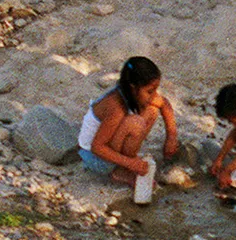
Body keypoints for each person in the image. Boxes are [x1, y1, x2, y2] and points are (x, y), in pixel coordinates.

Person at [78, 56, 184, 204]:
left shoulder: (132, 93)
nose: (154, 95)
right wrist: (130, 163)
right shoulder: (115, 106)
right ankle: (121, 171)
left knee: (152, 111)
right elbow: (97, 147)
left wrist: (171, 137)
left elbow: (164, 104)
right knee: (135, 123)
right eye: (150, 91)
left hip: (107, 145)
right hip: (95, 158)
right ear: (133, 87)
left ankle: (126, 162)